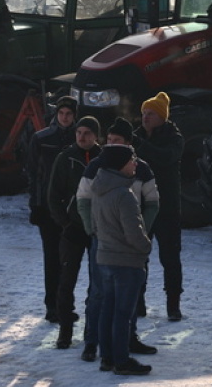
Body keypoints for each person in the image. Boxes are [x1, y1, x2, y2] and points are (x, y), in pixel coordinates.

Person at [77, 118, 159, 362]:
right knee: (100, 294)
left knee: (128, 296)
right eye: (109, 140)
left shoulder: (140, 170)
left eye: (117, 141)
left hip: (130, 244)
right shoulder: (96, 168)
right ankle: (92, 342)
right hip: (105, 241)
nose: (110, 145)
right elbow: (83, 201)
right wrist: (94, 230)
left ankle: (127, 339)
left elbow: (152, 203)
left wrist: (141, 231)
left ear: (128, 144)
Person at [90, 144, 154, 376]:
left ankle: (107, 357)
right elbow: (134, 233)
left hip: (105, 258)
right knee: (123, 315)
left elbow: (95, 226)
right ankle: (122, 360)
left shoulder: (99, 190)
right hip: (126, 262)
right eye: (132, 160)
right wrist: (146, 247)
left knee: (108, 310)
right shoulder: (123, 195)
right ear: (120, 164)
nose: (135, 164)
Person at [48, 116, 102, 349]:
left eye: (87, 133)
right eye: (79, 132)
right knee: (66, 282)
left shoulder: (105, 159)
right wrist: (65, 222)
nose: (82, 137)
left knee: (98, 284)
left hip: (99, 231)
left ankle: (93, 331)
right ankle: (65, 331)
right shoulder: (65, 158)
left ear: (96, 136)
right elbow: (53, 195)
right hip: (73, 229)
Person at [132, 92, 185, 321]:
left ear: (162, 117)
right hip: (142, 206)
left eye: (151, 113)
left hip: (167, 207)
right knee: (138, 257)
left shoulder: (174, 138)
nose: (145, 117)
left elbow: (166, 157)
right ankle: (138, 302)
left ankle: (173, 305)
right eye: (144, 113)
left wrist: (140, 146)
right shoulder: (136, 137)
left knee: (170, 258)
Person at [27, 96, 78, 323]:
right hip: (48, 209)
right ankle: (52, 306)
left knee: (70, 260)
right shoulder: (42, 139)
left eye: (69, 114)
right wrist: (36, 205)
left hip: (73, 210)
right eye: (61, 114)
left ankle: (65, 305)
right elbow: (34, 176)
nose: (65, 118)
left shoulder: (82, 140)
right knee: (52, 258)